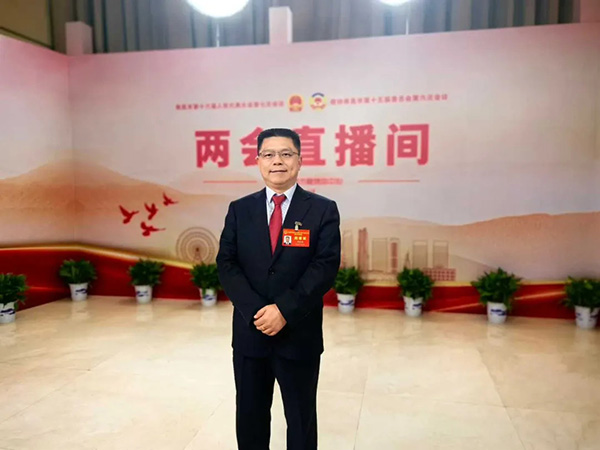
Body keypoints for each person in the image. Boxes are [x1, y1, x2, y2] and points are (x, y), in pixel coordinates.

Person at [216, 128, 341, 450]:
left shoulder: (322, 209)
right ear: (258, 161)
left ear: (299, 161)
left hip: (299, 333)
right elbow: (227, 263)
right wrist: (257, 311)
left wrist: (284, 310)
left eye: (286, 154)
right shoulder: (239, 209)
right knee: (250, 417)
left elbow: (324, 267)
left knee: (300, 420)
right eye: (269, 154)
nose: (278, 161)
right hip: (251, 332)